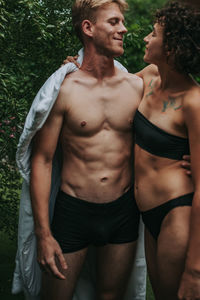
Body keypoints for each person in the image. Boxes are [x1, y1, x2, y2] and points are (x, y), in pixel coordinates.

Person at [12, 1, 148, 299]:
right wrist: (43, 234)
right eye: (113, 22)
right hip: (74, 212)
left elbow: (172, 117)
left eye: (121, 22)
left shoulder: (136, 87)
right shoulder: (64, 90)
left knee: (111, 296)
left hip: (122, 211)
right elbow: (43, 160)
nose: (123, 28)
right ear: (88, 28)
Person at [133, 1, 200, 299]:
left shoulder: (193, 102)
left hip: (178, 213)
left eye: (154, 33)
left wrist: (195, 270)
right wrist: (77, 64)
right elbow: (106, 86)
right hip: (149, 216)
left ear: (171, 46)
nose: (147, 38)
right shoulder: (148, 76)